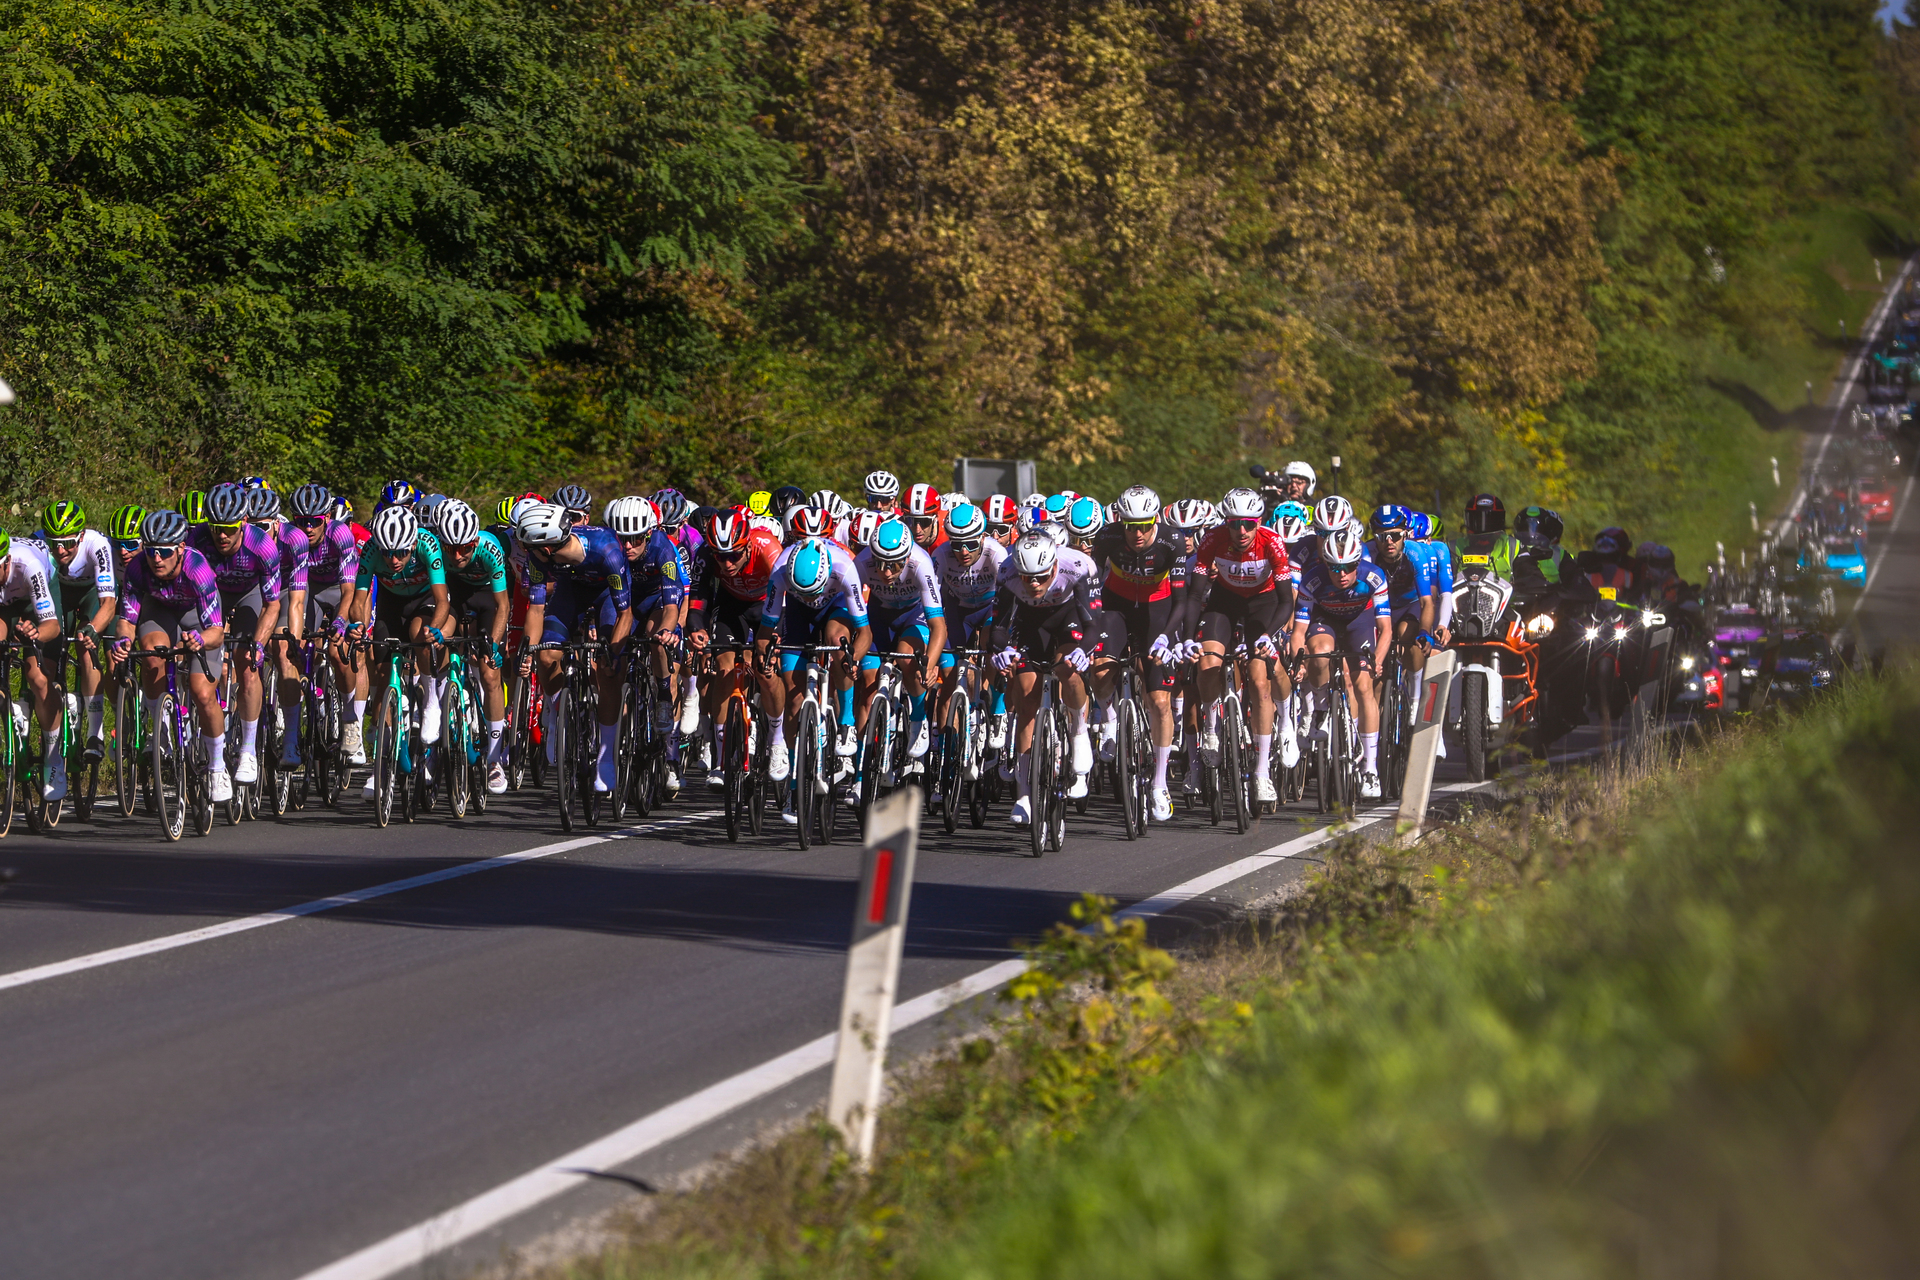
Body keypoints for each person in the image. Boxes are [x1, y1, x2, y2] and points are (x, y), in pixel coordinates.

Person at [516, 501, 634, 795]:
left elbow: (625, 614)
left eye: (528, 547)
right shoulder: (539, 557)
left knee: (608, 671)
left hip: (608, 595)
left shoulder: (607, 549)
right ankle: (558, 713)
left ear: (547, 548)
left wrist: (614, 653)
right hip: (571, 592)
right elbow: (536, 608)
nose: (525, 551)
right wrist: (528, 651)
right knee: (546, 654)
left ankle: (606, 756)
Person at [1088, 484, 1190, 820]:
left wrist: (1166, 637)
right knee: (1101, 670)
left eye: (1145, 525)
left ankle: (1159, 783)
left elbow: (1181, 600)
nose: (1138, 534)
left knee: (1160, 702)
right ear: (1121, 522)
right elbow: (1090, 586)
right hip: (1116, 607)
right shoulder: (1107, 536)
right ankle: (1110, 720)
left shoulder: (1172, 541)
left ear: (1155, 520)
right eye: (1131, 526)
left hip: (1158, 611)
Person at [111, 512, 229, 801]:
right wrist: (123, 640)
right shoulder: (138, 567)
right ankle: (160, 730)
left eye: (164, 552)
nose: (156, 559)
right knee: (152, 655)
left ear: (180, 548)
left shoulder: (198, 568)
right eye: (150, 550)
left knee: (203, 693)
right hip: (161, 610)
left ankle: (217, 766)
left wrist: (200, 640)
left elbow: (216, 631)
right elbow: (127, 620)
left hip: (197, 617)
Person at [1187, 487, 1295, 803]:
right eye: (1235, 524)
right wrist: (1187, 637)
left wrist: (1268, 635)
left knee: (1260, 682)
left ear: (1258, 522)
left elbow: (1286, 601)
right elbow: (1195, 595)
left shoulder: (1272, 542)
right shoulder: (1212, 540)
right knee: (1208, 663)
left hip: (1264, 604)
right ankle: (1211, 727)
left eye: (1248, 524)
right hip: (1225, 602)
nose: (1242, 531)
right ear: (1227, 523)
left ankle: (1262, 773)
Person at [989, 533, 1098, 825]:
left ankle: (1078, 731)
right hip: (1031, 623)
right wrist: (1002, 650)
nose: (1035, 584)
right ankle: (1024, 794)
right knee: (1027, 700)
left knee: (1068, 670)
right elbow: (998, 627)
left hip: (1068, 617)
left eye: (1041, 576)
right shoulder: (1007, 571)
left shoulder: (1076, 566)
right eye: (1028, 578)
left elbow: (1092, 625)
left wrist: (1083, 651)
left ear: (1054, 566)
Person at [763, 535, 872, 820]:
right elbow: (765, 630)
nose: (811, 598)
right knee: (794, 699)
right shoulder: (780, 570)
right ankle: (794, 783)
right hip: (797, 615)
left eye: (813, 592)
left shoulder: (845, 567)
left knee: (839, 642)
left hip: (836, 605)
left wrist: (851, 660)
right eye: (804, 592)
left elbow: (865, 632)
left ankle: (846, 721)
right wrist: (765, 658)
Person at [348, 505, 453, 796]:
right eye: (387, 553)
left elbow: (443, 600)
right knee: (383, 675)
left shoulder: (428, 544)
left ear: (413, 544)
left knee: (420, 634)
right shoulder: (371, 550)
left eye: (401, 553)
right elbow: (359, 599)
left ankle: (430, 701)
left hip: (424, 601)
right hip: (391, 605)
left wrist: (435, 629)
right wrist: (358, 625)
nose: (393, 560)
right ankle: (381, 765)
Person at [189, 483, 283, 789]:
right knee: (202, 661)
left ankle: (248, 750)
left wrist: (258, 645)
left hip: (249, 595)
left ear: (243, 522)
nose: (222, 536)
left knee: (247, 663)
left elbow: (272, 604)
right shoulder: (197, 539)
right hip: (212, 594)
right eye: (216, 528)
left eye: (229, 528)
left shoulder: (262, 545)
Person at [684, 506, 787, 783]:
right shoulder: (706, 554)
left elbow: (785, 597)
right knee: (724, 668)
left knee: (766, 671)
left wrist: (774, 636)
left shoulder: (768, 548)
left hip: (769, 606)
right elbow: (699, 598)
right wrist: (696, 628)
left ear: (748, 545)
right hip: (731, 605)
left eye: (734, 555)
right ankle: (720, 758)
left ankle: (777, 740)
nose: (727, 564)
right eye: (720, 556)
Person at [1289, 525, 1391, 798]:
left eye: (1348, 567)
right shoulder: (1312, 580)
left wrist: (1377, 661)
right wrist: (1300, 662)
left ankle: (1370, 769)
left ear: (1358, 563)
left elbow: (1386, 629)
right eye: (1334, 568)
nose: (1341, 574)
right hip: (1326, 621)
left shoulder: (1374, 576)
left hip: (1360, 622)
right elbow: (1298, 632)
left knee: (1364, 686)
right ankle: (1321, 708)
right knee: (1319, 652)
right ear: (1325, 563)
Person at [436, 499, 513, 792]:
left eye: (465, 548)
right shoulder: (437, 550)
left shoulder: (490, 549)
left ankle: (494, 759)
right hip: (454, 596)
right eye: (450, 548)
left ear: (475, 542)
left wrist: (494, 646)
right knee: (441, 641)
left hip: (488, 598)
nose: (457, 555)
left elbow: (502, 606)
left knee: (490, 675)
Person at [854, 518, 945, 761]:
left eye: (893, 565)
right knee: (869, 685)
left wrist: (929, 665)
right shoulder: (861, 562)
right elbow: (850, 608)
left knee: (909, 659)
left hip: (913, 614)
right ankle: (861, 769)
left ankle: (918, 718)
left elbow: (938, 626)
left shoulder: (921, 562)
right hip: (878, 615)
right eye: (880, 564)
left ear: (906, 558)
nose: (885, 572)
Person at [36, 500, 118, 761]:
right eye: (54, 543)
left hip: (91, 593)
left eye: (68, 543)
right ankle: (51, 727)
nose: (60, 550)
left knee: (85, 646)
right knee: (48, 660)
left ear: (81, 536)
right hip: (59, 592)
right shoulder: (37, 543)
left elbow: (108, 603)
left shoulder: (97, 544)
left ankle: (95, 734)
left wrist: (93, 629)